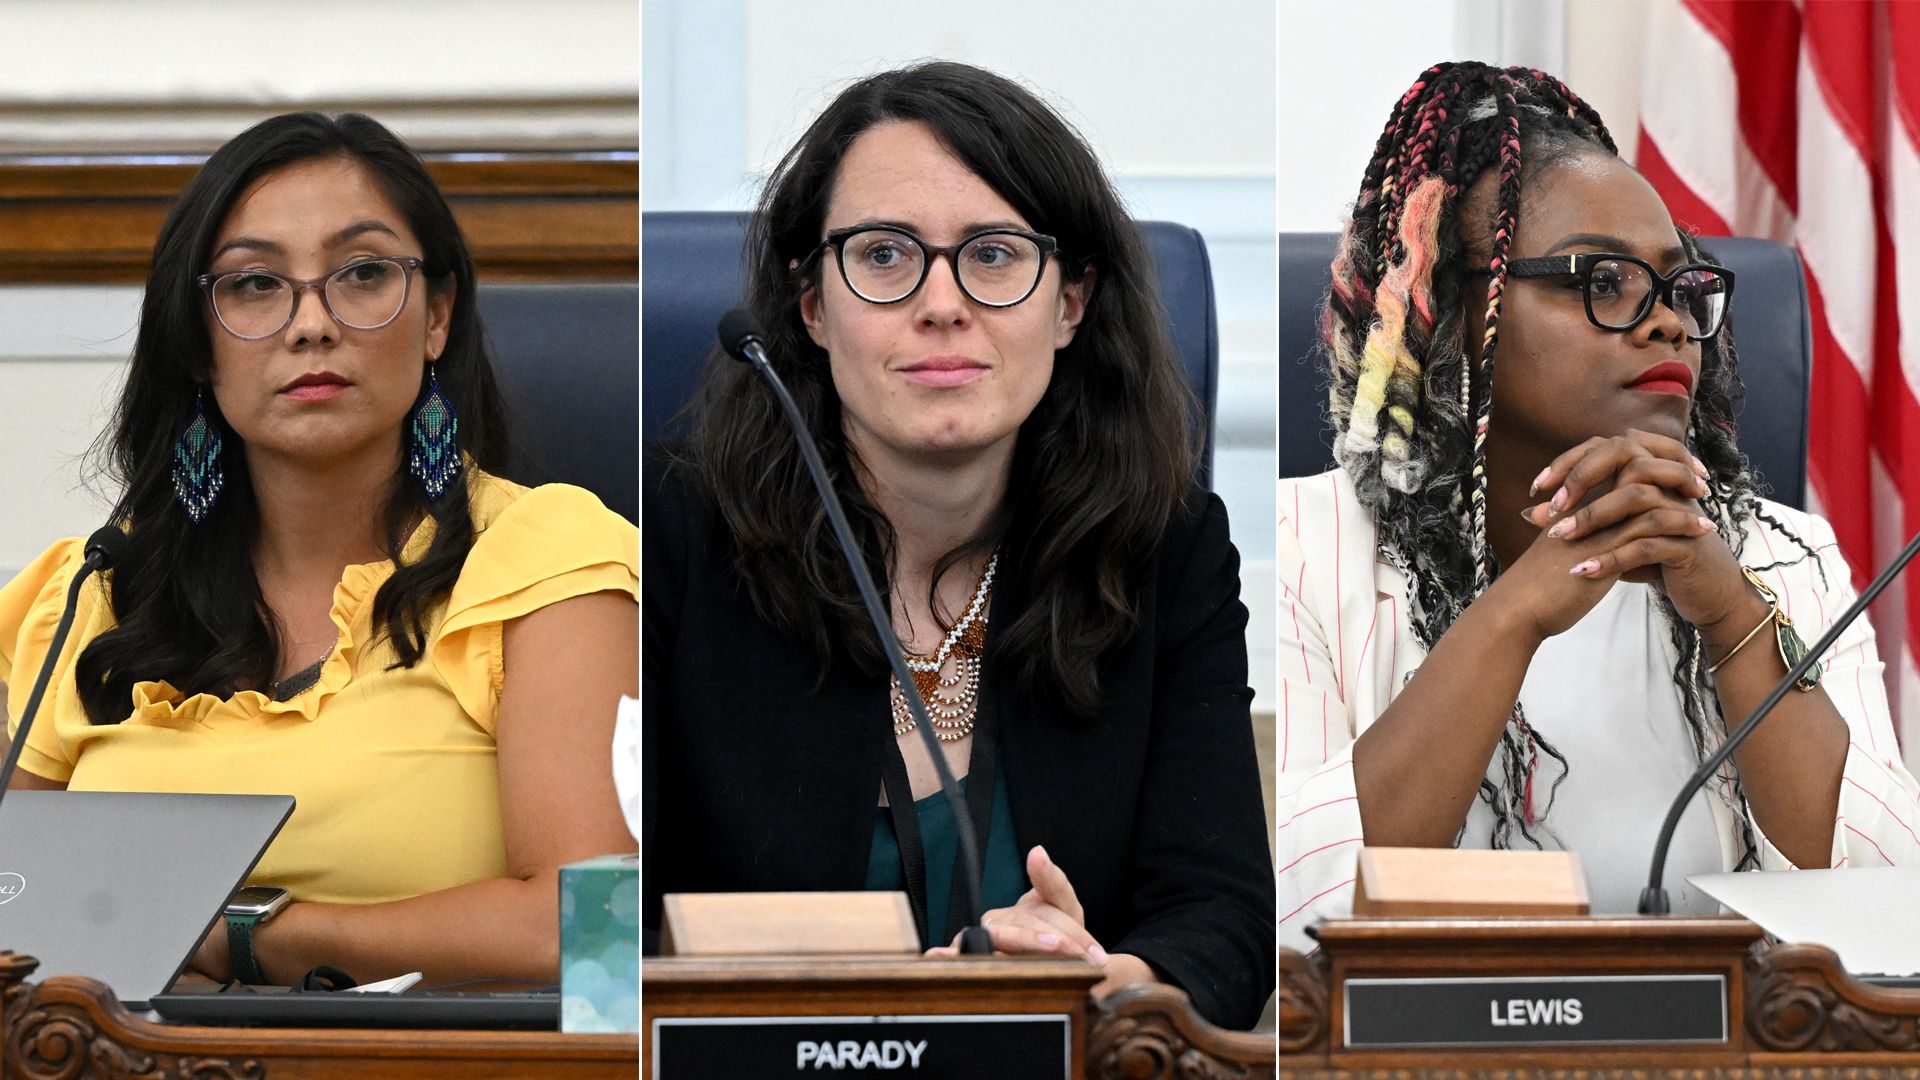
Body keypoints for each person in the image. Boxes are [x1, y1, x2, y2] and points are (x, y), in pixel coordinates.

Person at [643, 61, 1274, 1029]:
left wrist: (1096, 978)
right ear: (812, 305)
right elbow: (599, 915)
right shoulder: (668, 534)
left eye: (992, 253)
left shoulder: (1165, 550)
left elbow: (1221, 918)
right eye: (886, 256)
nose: (942, 303)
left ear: (1070, 303)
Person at [1276, 61, 1920, 952]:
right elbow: (1292, 923)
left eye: (1679, 288)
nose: (1664, 323)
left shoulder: (1783, 558)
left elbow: (1886, 922)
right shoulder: (1302, 550)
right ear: (1459, 311)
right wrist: (1520, 609)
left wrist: (1733, 616)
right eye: (1602, 280)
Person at [0, 113, 639, 986]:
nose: (310, 324)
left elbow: (602, 937)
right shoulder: (99, 586)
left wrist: (249, 937)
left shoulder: (546, 562)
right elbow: (16, 917)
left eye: (364, 273)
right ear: (197, 344)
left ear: (438, 316)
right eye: (255, 284)